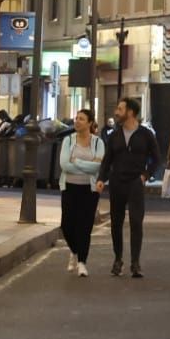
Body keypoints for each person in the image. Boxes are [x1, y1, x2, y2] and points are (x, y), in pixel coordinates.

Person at [99, 97, 161, 278]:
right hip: (117, 182)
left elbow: (156, 158)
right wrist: (102, 179)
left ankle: (135, 262)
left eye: (120, 109)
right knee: (116, 223)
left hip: (135, 182)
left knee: (136, 222)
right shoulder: (114, 136)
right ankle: (118, 259)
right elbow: (107, 160)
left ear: (130, 113)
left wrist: (145, 176)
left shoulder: (145, 134)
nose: (116, 112)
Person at [58, 108, 105, 276]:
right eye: (76, 118)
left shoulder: (98, 143)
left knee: (85, 226)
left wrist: (76, 161)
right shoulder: (68, 141)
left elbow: (98, 166)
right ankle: (74, 250)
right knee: (67, 225)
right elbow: (64, 165)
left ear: (90, 123)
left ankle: (82, 262)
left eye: (82, 119)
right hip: (69, 188)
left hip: (89, 190)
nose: (77, 121)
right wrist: (87, 166)